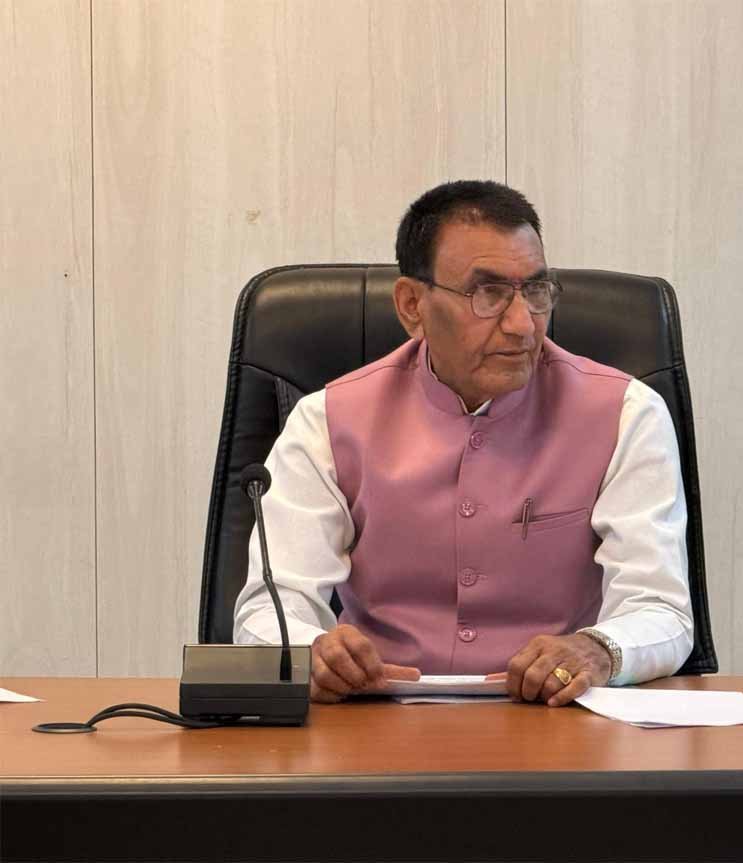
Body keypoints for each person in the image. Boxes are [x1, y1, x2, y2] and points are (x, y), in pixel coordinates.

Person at [233, 180, 693, 707]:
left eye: (536, 291)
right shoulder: (326, 421)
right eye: (488, 294)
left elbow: (661, 609)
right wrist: (310, 652)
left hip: (557, 718)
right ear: (412, 305)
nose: (522, 325)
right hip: (376, 718)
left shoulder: (625, 413)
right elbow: (269, 608)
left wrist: (599, 650)